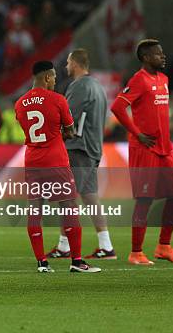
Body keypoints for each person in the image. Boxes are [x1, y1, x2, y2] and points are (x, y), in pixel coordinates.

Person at [15, 61, 100, 273]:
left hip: (33, 161)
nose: (55, 81)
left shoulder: (20, 103)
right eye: (53, 77)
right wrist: (60, 131)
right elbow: (70, 131)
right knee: (68, 208)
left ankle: (42, 263)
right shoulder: (58, 100)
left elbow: (28, 128)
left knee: (35, 211)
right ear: (46, 77)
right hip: (55, 161)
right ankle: (77, 261)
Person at [110, 39, 173, 265]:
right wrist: (137, 133)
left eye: (162, 53)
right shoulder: (138, 80)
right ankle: (136, 252)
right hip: (145, 148)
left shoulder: (163, 79)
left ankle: (164, 246)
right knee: (144, 199)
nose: (162, 57)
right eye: (157, 54)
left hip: (165, 149)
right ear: (145, 58)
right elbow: (117, 107)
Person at [47, 49, 115, 259]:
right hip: (93, 147)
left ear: (75, 64)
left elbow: (67, 118)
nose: (66, 67)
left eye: (68, 62)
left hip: (78, 147)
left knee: (66, 196)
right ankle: (106, 245)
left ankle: (64, 246)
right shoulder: (98, 87)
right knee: (89, 196)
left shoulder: (79, 86)